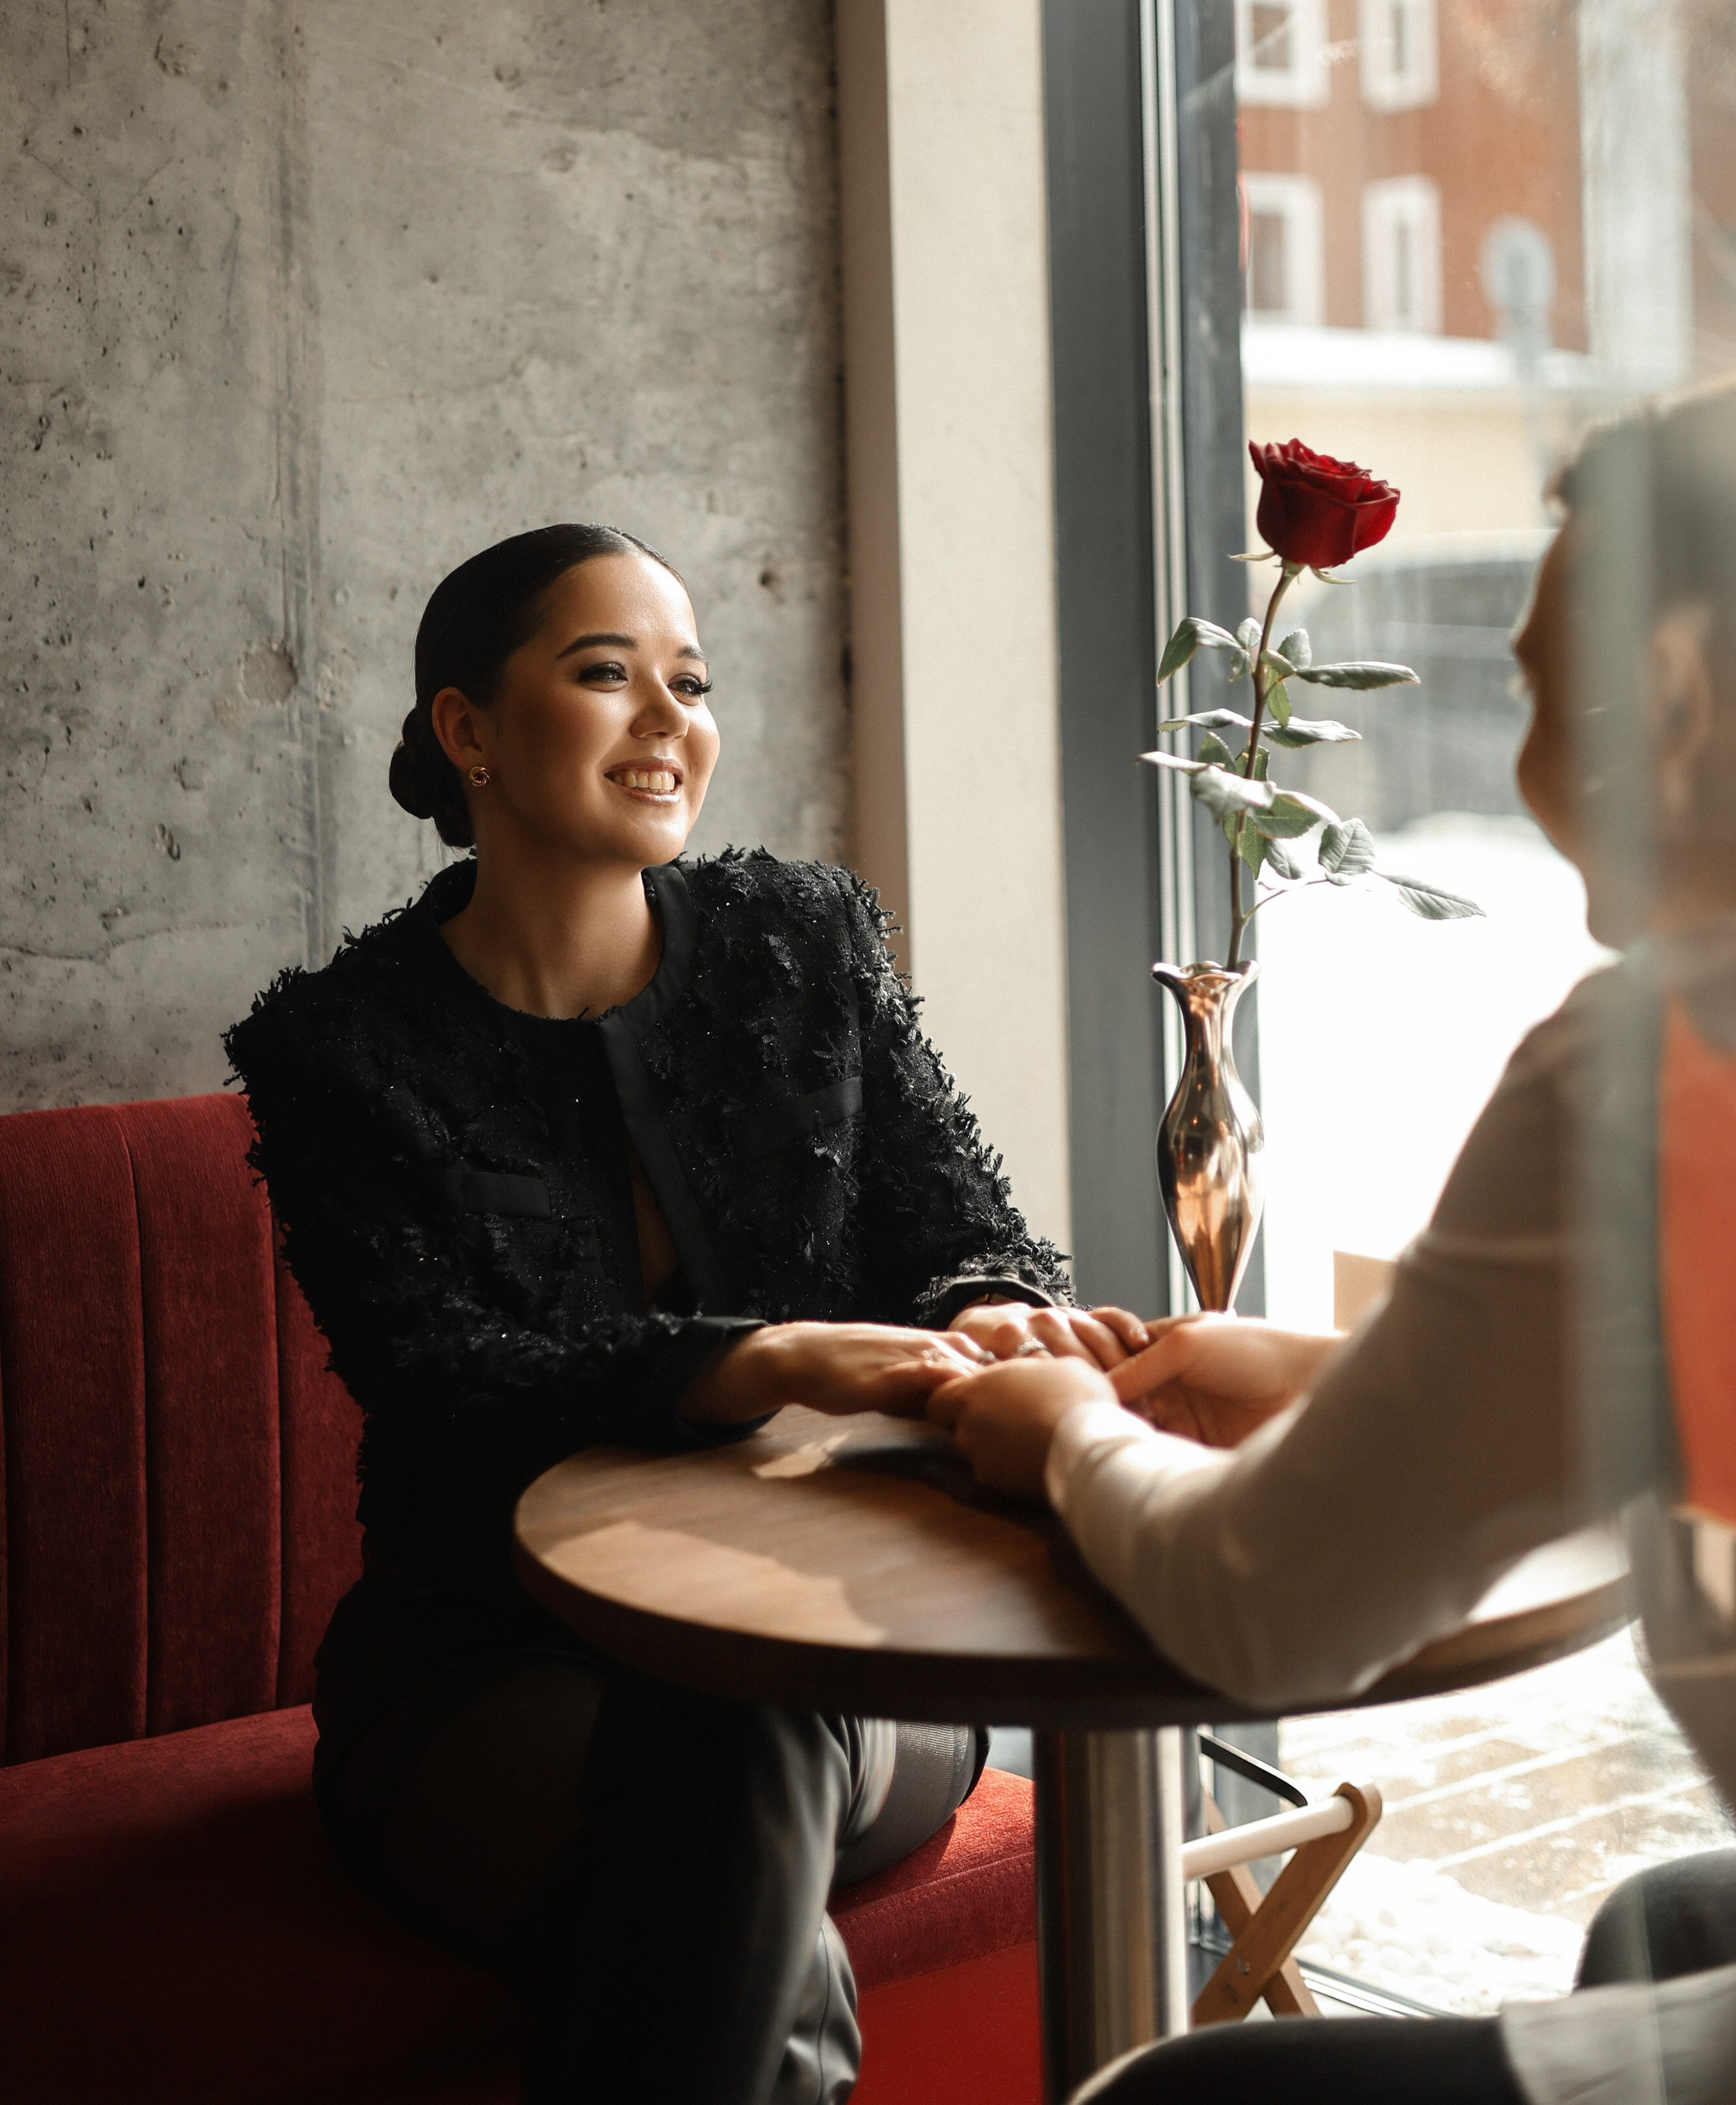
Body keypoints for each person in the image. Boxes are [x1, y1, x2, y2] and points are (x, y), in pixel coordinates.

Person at [226, 521, 1145, 2105]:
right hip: (485, 1664)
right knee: (709, 1851)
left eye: (693, 682)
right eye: (608, 674)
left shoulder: (806, 942)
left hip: (851, 1653)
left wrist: (996, 1314)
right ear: (467, 728)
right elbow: (445, 1384)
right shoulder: (342, 1050)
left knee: (740, 1712)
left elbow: (965, 1234)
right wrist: (767, 1359)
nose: (670, 720)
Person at [931, 382, 1736, 2104]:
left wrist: (1063, 1430)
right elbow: (1654, 1369)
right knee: (1663, 1920)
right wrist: (1322, 1372)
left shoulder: (1660, 1066)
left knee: (1172, 2097)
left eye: (1536, 690)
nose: (1522, 767)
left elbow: (1261, 1607)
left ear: (1663, 698)